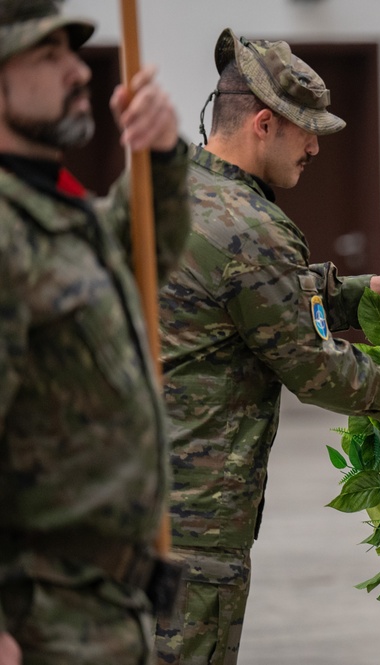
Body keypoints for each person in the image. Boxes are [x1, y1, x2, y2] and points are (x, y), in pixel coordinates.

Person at [154, 29, 380, 665]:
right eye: (307, 131)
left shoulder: (171, 189)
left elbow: (262, 299)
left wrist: (370, 289)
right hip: (196, 517)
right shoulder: (249, 226)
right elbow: (315, 368)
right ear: (264, 123)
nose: (317, 146)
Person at [0, 1, 191, 663]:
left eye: (71, 53)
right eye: (46, 56)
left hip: (105, 603)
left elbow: (146, 261)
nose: (77, 71)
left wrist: (161, 155)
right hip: (41, 610)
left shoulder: (57, 201)